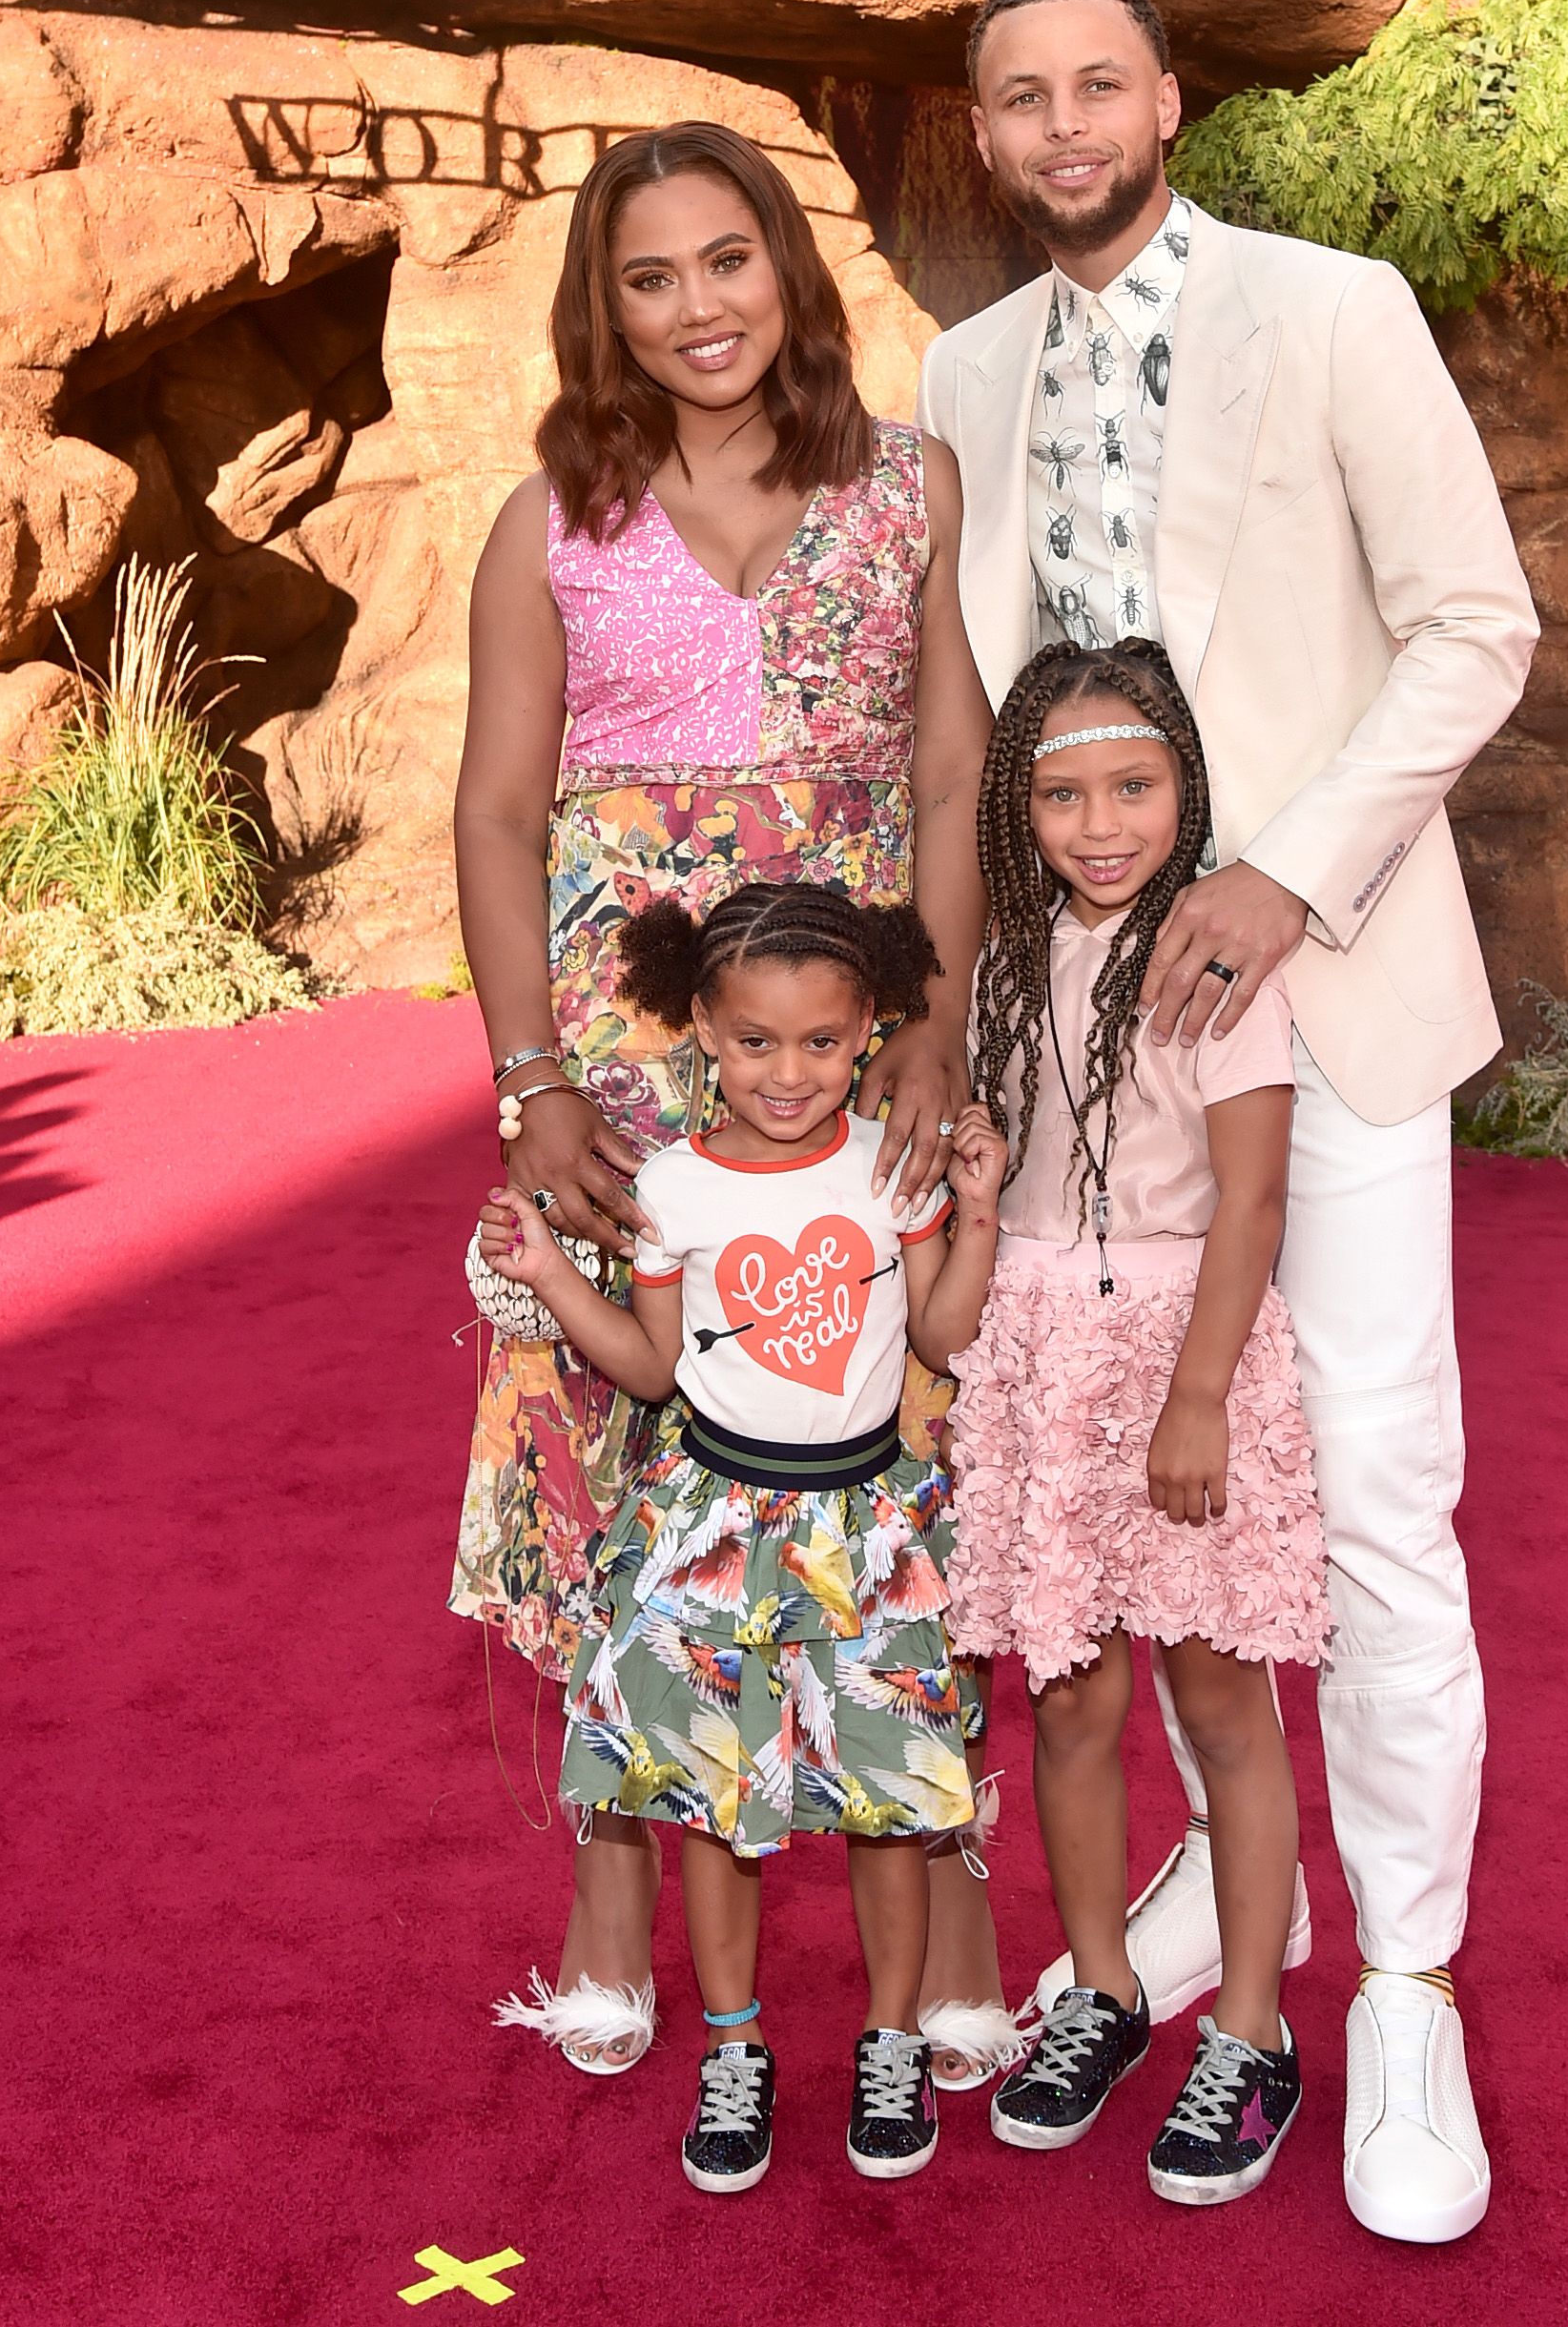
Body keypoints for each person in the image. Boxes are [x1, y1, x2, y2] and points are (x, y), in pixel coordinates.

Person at [917, 0, 1537, 2246]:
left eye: (1101, 80)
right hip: (1074, 1059)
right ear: (982, 130)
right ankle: (1192, 1891)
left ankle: (1407, 1978)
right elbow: (974, 721)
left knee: (1370, 1493)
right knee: (1117, 1485)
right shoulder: (960, 372)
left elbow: (1474, 621)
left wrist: (1282, 869)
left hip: (1334, 991)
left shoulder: (1336, 304)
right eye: (1021, 94)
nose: (1067, 121)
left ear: (1167, 96)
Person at [449, 121, 1006, 2080]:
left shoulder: (908, 487)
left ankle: (943, 1924)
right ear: (602, 310)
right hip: (625, 1043)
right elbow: (501, 810)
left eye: (727, 258)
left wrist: (931, 1024)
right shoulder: (550, 520)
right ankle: (610, 1914)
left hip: (846, 1025)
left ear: (790, 263)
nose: (699, 305)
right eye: (650, 275)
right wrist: (531, 1080)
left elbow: (948, 782)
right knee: (623, 1452)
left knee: (890, 1416)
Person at [478, 880, 1002, 2193]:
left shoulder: (890, 1163)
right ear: (700, 1028)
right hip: (712, 1527)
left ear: (868, 1026)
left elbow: (940, 1336)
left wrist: (979, 1206)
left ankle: (886, 2039)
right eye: (755, 1041)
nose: (789, 1072)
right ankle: (733, 2043)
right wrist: (548, 1278)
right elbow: (653, 1371)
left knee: (887, 1807)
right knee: (712, 1802)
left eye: (823, 1042)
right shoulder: (669, 1185)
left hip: (869, 1530)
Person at [946, 643, 1331, 2206]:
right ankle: (1099, 1986)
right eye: (1059, 794)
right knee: (1073, 1702)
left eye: (1131, 785)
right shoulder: (997, 960)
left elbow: (1250, 1194)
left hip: (1182, 1350)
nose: (1099, 823)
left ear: (1181, 782)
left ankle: (1249, 2023)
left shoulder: (1215, 959)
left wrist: (1190, 1397)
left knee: (1222, 1702)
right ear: (1014, 806)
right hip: (1039, 1351)